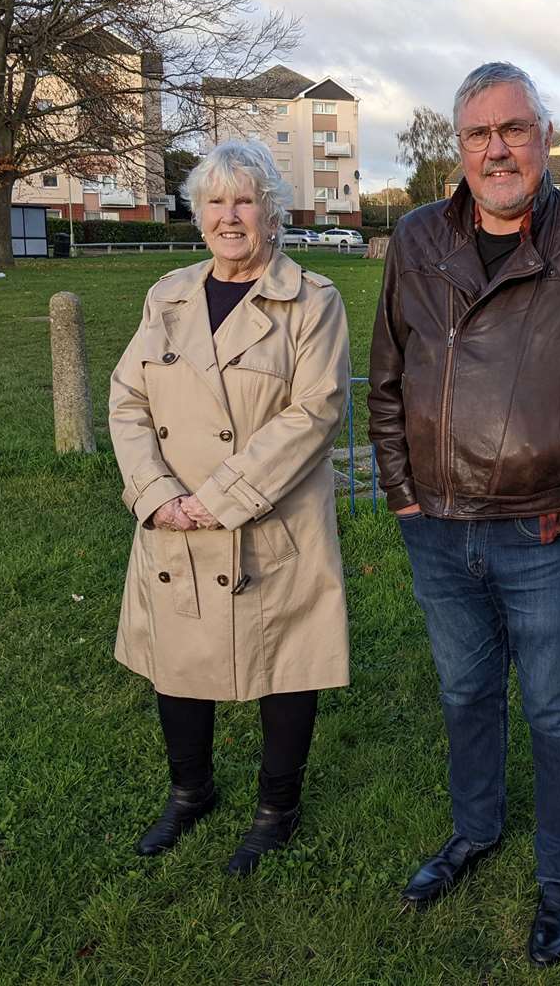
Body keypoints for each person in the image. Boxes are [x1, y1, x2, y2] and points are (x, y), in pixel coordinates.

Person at [369, 61, 560, 966]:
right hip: (438, 526)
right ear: (457, 147)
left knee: (554, 708)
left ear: (544, 136)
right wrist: (401, 490)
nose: (497, 148)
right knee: (465, 694)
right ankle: (474, 833)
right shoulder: (417, 240)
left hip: (544, 526)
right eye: (478, 134)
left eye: (514, 129)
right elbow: (386, 377)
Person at [109, 138, 351, 877]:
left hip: (272, 523)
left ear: (272, 213)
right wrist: (158, 498)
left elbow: (315, 411)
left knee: (288, 665)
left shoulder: (313, 300)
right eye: (215, 202)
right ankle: (191, 794)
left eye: (244, 200)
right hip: (174, 521)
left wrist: (218, 501)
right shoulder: (168, 295)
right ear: (198, 214)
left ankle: (277, 809)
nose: (229, 216)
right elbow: (128, 400)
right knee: (176, 661)